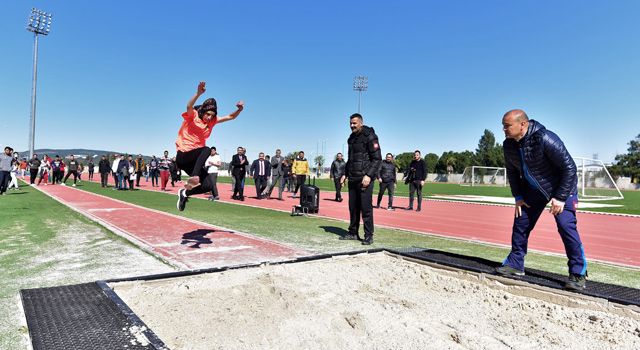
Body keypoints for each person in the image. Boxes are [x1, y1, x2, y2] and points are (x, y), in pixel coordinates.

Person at [496, 109, 588, 291]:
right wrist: (518, 197)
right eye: (503, 126)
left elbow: (570, 168)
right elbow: (513, 172)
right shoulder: (508, 145)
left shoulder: (545, 138)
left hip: (563, 188)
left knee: (565, 226)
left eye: (507, 126)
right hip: (534, 191)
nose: (504, 130)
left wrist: (560, 198)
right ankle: (515, 264)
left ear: (522, 124)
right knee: (521, 222)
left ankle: (577, 273)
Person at [175, 81, 244, 211]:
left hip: (194, 160)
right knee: (206, 149)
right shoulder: (193, 116)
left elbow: (230, 117)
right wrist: (198, 93)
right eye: (207, 114)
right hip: (183, 155)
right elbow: (189, 106)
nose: (209, 117)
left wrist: (239, 110)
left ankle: (184, 194)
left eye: (212, 115)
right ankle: (194, 177)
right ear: (203, 111)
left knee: (208, 185)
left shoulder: (212, 121)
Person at [340, 113, 382, 245]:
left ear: (361, 123)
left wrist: (369, 175)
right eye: (351, 123)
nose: (352, 126)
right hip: (353, 178)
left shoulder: (370, 136)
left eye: (354, 123)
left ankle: (369, 235)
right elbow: (350, 159)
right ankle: (353, 232)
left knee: (366, 208)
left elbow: (377, 159)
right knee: (353, 208)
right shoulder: (351, 139)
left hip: (365, 179)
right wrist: (344, 174)